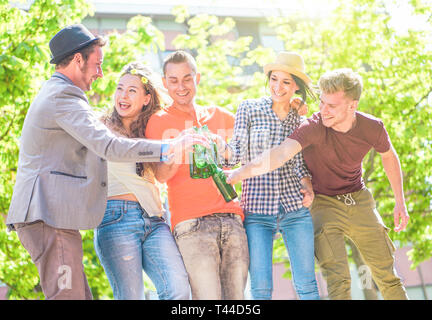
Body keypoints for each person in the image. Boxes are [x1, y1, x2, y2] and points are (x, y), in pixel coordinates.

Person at [6, 25, 207, 300]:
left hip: (54, 217)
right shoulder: (63, 97)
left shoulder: (58, 94)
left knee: (77, 295)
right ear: (78, 60)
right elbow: (109, 146)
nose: (100, 73)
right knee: (68, 296)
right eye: (97, 64)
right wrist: (169, 147)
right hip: (46, 214)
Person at [227, 68, 410, 300]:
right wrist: (238, 174)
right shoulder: (313, 127)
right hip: (323, 203)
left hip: (358, 198)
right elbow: (281, 154)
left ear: (352, 106)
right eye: (322, 102)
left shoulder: (372, 127)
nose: (323, 110)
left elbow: (388, 155)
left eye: (331, 106)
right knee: (338, 279)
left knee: (387, 276)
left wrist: (400, 202)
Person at [145, 50, 249, 300]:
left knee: (237, 300)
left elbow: (247, 158)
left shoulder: (222, 116)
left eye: (187, 78)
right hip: (192, 224)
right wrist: (178, 149)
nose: (181, 86)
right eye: (173, 80)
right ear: (165, 83)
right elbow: (160, 176)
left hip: (233, 218)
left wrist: (225, 150)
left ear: (197, 78)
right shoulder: (158, 121)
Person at [220, 51, 320, 300]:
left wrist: (307, 183)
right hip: (257, 209)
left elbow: (300, 162)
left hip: (294, 207)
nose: (278, 87)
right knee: (261, 289)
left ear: (297, 86)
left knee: (307, 284)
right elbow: (237, 153)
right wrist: (220, 149)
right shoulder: (249, 109)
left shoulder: (301, 118)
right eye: (274, 79)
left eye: (286, 82)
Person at [94, 62, 191, 300]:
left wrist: (177, 150)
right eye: (119, 89)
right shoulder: (100, 127)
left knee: (178, 290)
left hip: (154, 219)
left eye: (132, 90)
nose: (122, 96)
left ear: (147, 99)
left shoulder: (152, 131)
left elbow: (161, 176)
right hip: (116, 217)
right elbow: (115, 150)